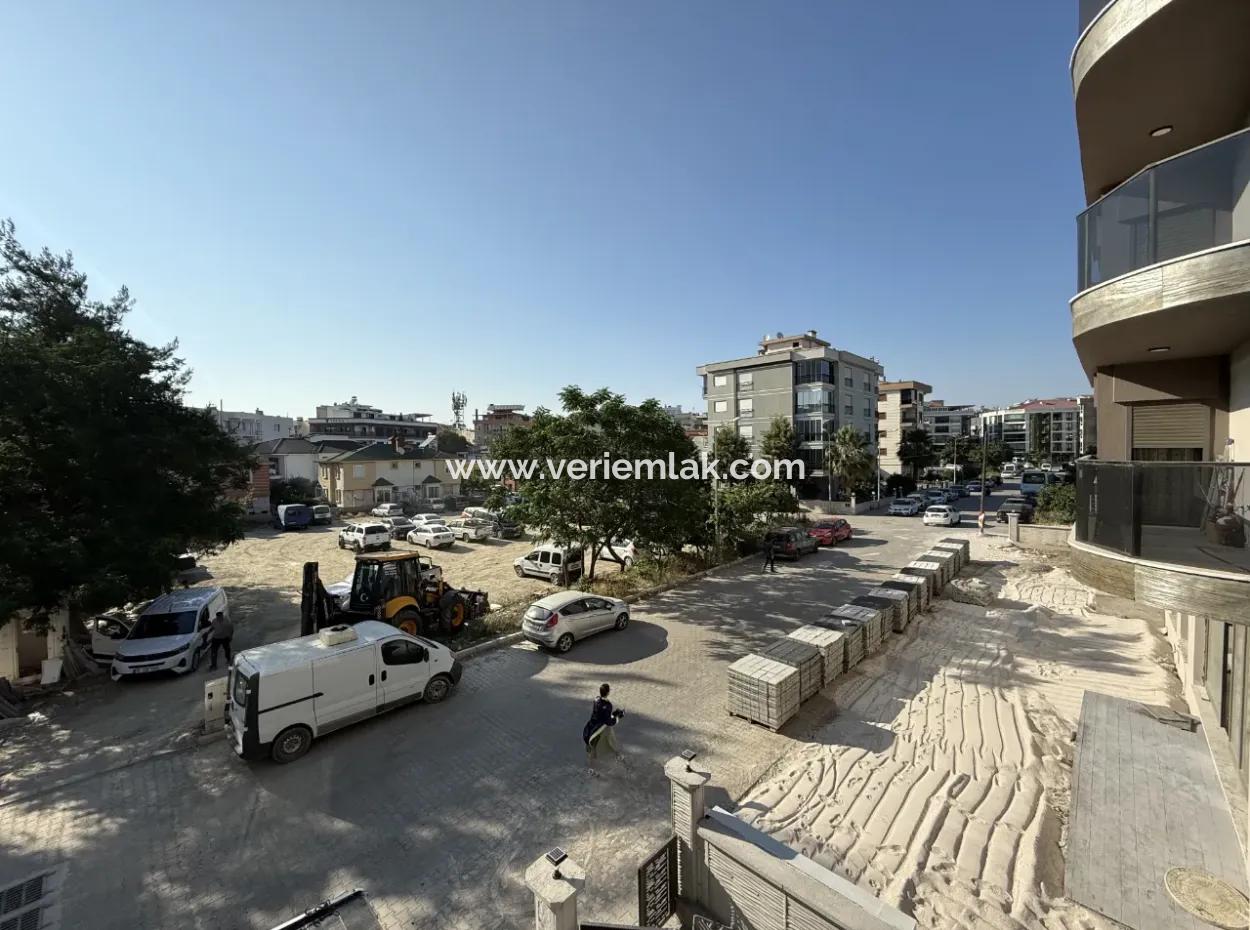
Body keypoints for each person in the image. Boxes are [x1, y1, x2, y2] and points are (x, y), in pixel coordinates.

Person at [582, 682, 624, 775]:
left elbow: (601, 714)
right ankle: (619, 755)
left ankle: (591, 768)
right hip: (601, 729)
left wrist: (612, 715)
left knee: (592, 747)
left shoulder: (596, 700)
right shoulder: (608, 705)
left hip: (591, 727)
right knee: (611, 741)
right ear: (608, 692)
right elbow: (608, 721)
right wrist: (617, 717)